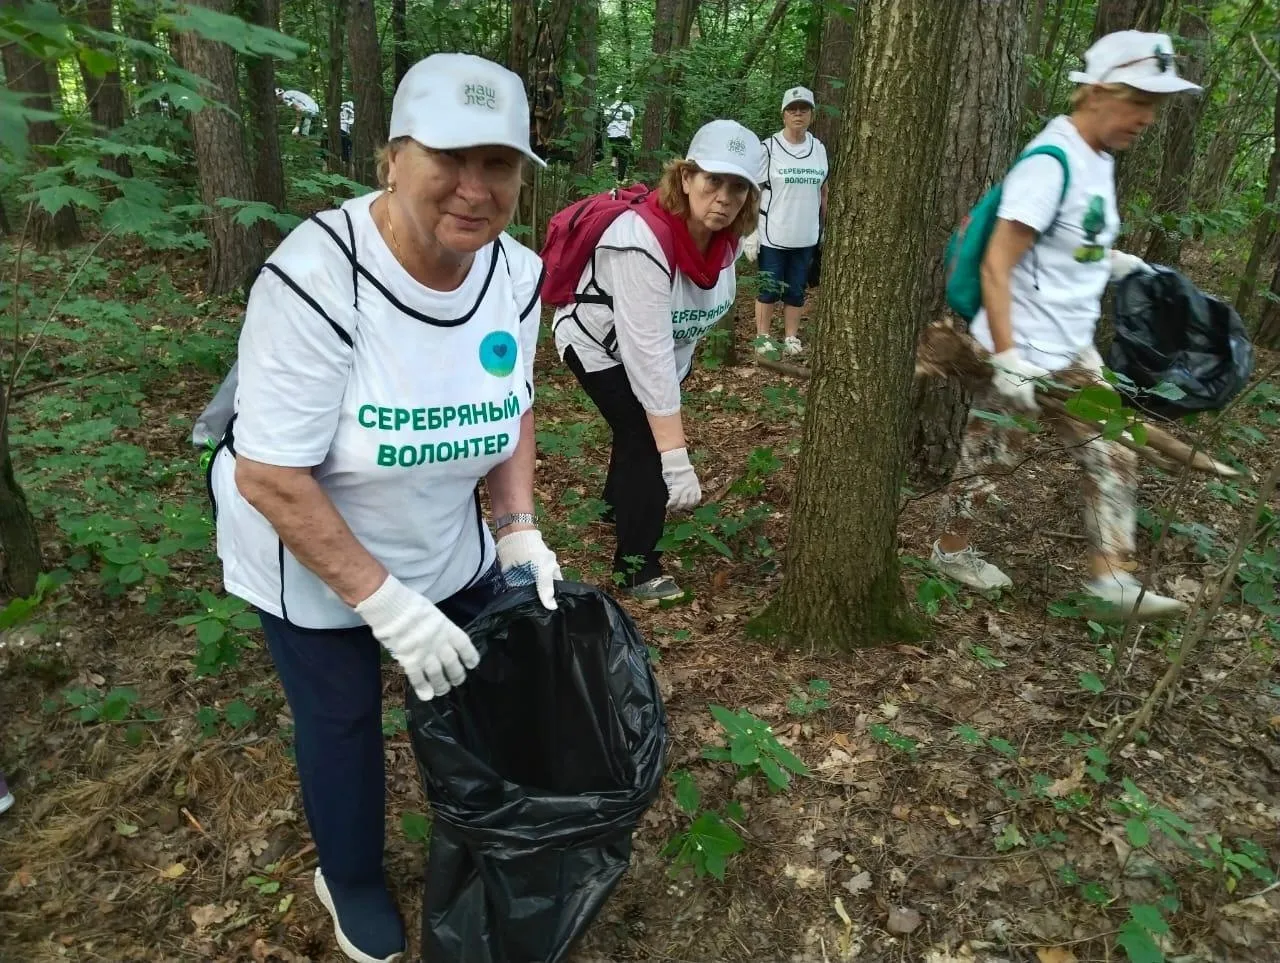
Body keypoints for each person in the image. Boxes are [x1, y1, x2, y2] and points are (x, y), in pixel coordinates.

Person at [213, 54, 560, 963]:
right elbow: (272, 474)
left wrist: (516, 523)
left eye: (499, 164)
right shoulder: (317, 276)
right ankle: (351, 874)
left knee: (487, 694)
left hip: (446, 536)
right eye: (449, 156)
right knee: (341, 719)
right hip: (309, 547)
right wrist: (388, 604)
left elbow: (512, 399)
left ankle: (488, 840)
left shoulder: (517, 275)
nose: (474, 188)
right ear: (391, 158)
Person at [931, 30, 1201, 621]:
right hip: (1021, 341)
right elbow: (1000, 261)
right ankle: (950, 551)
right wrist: (1006, 355)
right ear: (1101, 92)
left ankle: (1111, 581)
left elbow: (1067, 247)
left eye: (1154, 107)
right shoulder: (1050, 163)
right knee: (995, 456)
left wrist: (1116, 263)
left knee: (1115, 452)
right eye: (1140, 103)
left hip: (1070, 347)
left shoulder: (1096, 159)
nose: (1148, 119)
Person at [552, 120, 764, 601]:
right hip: (594, 343)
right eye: (713, 181)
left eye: (738, 186)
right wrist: (676, 456)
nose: (724, 197)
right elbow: (645, 354)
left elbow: (686, 328)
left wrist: (674, 385)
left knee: (640, 427)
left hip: (655, 350)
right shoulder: (639, 240)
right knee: (646, 437)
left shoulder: (723, 247)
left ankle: (616, 504)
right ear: (687, 178)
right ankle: (638, 567)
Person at [753, 85, 828, 357]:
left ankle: (791, 336)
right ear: (783, 115)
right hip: (773, 231)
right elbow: (755, 189)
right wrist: (750, 230)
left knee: (796, 288)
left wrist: (825, 226)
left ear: (811, 115)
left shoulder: (818, 148)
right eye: (792, 110)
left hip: (806, 233)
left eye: (804, 110)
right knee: (769, 286)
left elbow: (823, 189)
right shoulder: (769, 148)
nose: (798, 115)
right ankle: (763, 336)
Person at [604, 87, 636, 182]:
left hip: (611, 135)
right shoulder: (629, 107)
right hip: (624, 134)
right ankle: (620, 179)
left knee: (615, 146)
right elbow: (630, 124)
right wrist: (631, 137)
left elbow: (606, 119)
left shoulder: (611, 105)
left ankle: (613, 161)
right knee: (623, 157)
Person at [339, 99, 355, 164]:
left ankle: (345, 160)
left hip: (344, 132)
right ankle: (345, 160)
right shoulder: (344, 112)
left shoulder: (350, 114)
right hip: (343, 132)